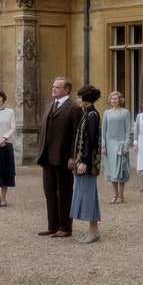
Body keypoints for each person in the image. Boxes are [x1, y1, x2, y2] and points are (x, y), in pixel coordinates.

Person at [36, 76, 84, 237]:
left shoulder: (74, 108)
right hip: (47, 156)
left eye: (57, 87)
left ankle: (65, 226)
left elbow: (76, 136)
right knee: (49, 191)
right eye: (53, 86)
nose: (53, 89)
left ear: (66, 90)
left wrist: (73, 157)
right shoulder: (48, 106)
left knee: (64, 192)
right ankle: (52, 225)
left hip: (64, 157)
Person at [69, 84, 103, 243]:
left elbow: (90, 141)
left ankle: (92, 232)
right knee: (89, 194)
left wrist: (84, 161)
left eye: (79, 97)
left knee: (88, 195)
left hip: (87, 162)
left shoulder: (91, 116)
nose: (77, 100)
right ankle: (94, 230)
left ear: (86, 99)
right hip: (85, 161)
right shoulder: (88, 113)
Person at [102, 90, 133, 205]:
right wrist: (103, 146)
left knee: (120, 168)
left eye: (115, 99)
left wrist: (126, 144)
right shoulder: (106, 113)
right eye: (112, 99)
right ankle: (114, 195)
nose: (114, 101)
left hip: (120, 143)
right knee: (111, 170)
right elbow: (104, 130)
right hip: (109, 143)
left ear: (120, 100)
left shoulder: (125, 112)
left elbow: (128, 130)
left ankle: (121, 195)